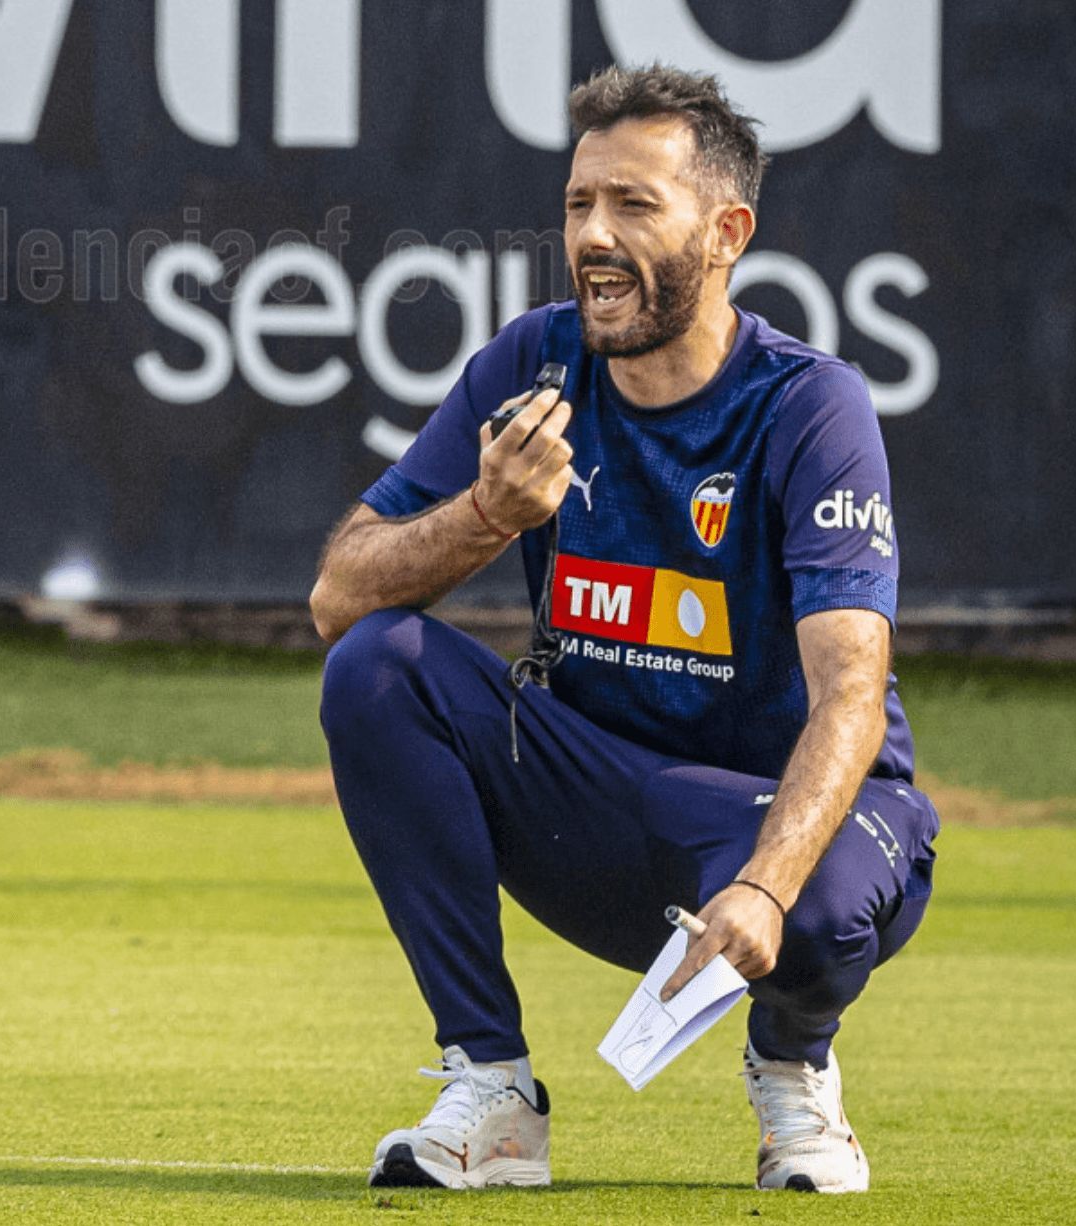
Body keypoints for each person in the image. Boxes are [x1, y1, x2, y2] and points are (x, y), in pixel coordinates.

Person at [310, 64, 937, 1194]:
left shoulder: (809, 405)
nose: (595, 236)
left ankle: (793, 1067)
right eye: (577, 204)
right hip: (596, 804)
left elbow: (851, 690)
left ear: (727, 229)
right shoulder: (530, 364)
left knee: (830, 898)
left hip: (768, 829)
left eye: (635, 206)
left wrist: (763, 885)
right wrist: (486, 516)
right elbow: (337, 597)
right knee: (376, 665)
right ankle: (491, 1087)